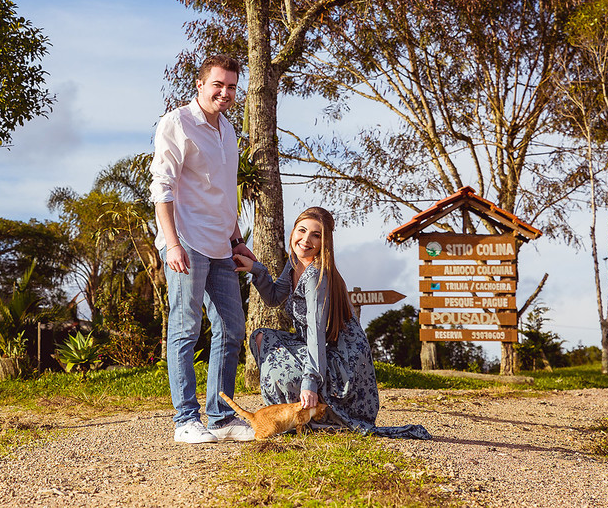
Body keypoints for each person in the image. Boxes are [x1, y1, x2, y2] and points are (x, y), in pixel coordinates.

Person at [235, 206, 429, 439]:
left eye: (316, 235)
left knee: (281, 370)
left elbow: (317, 331)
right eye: (302, 230)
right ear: (293, 231)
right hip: (317, 347)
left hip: (342, 361)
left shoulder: (317, 274)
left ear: (325, 242)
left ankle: (304, 414)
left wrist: (310, 382)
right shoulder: (294, 262)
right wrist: (256, 270)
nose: (306, 240)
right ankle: (285, 417)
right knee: (262, 338)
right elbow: (275, 297)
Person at [150, 54, 257, 444]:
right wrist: (173, 243)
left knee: (231, 328)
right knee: (185, 329)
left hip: (221, 247)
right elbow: (161, 187)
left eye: (231, 86)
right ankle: (184, 421)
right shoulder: (177, 122)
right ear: (200, 85)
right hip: (188, 243)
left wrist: (237, 238)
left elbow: (226, 194)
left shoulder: (229, 130)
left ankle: (220, 416)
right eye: (218, 84)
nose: (225, 92)